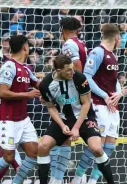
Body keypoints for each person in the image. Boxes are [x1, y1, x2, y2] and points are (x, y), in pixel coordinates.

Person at [37, 55, 115, 184]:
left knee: (97, 148)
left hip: (84, 118)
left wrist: (76, 127)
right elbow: (50, 107)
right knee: (43, 146)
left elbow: (86, 103)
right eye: (68, 70)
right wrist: (62, 126)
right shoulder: (45, 84)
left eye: (72, 68)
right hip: (63, 119)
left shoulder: (79, 78)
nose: (72, 72)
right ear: (58, 70)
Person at [0, 35, 41, 184]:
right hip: (8, 120)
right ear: (25, 47)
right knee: (8, 157)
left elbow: (39, 85)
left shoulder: (25, 68)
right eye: (28, 46)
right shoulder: (8, 66)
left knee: (34, 153)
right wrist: (28, 94)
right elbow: (3, 92)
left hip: (23, 119)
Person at [72, 23, 126, 184]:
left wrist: (119, 93)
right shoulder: (97, 52)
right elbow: (86, 77)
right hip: (99, 105)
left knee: (110, 145)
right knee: (97, 145)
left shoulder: (113, 55)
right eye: (121, 38)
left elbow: (114, 80)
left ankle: (93, 181)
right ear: (117, 37)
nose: (121, 41)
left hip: (112, 107)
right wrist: (104, 96)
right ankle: (76, 179)